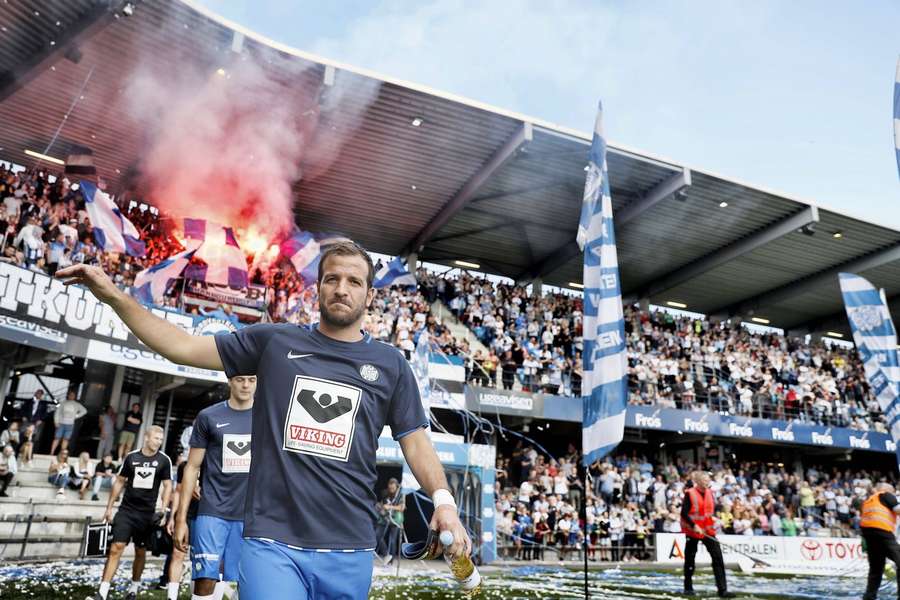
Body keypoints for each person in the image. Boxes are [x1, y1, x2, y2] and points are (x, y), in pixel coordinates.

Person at [59, 241, 471, 600]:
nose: (341, 288)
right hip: (271, 543)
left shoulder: (390, 365)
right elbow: (181, 346)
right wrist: (115, 297)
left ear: (369, 295)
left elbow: (415, 441)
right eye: (331, 279)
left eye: (354, 281)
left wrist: (445, 504)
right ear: (318, 287)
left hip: (350, 548)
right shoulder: (275, 342)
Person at [173, 375, 256, 600]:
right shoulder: (209, 416)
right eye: (240, 379)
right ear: (230, 381)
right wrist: (180, 520)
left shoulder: (267, 416)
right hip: (212, 511)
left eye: (252, 379)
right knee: (205, 580)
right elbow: (191, 468)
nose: (246, 385)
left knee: (249, 584)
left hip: (251, 515)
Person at [85, 426, 173, 600]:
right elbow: (119, 481)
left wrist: (163, 509)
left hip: (147, 514)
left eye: (161, 439)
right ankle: (102, 593)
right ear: (146, 438)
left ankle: (134, 588)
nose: (158, 442)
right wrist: (109, 507)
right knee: (116, 548)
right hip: (126, 511)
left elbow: (168, 485)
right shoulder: (132, 457)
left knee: (140, 552)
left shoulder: (164, 460)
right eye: (156, 438)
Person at [680, 471, 734, 598]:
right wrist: (694, 525)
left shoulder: (710, 493)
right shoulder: (690, 493)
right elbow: (684, 513)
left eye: (708, 480)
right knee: (690, 559)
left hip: (708, 530)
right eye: (704, 480)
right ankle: (688, 587)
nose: (707, 482)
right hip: (692, 531)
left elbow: (708, 512)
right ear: (698, 481)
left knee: (718, 558)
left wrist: (716, 520)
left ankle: (722, 590)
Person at [166, 451, 201, 600]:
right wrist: (172, 517)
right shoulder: (184, 466)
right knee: (178, 553)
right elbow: (178, 492)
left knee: (200, 557)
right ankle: (172, 596)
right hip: (185, 513)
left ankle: (197, 595)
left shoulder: (214, 463)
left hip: (207, 515)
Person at [860, 482, 900, 600]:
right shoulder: (885, 495)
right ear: (886, 489)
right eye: (892, 490)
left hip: (869, 536)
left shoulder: (868, 501)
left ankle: (869, 596)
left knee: (876, 569)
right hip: (882, 532)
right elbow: (898, 510)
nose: (894, 493)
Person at [375, 477, 405, 564]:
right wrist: (379, 506)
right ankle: (386, 554)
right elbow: (382, 503)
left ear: (396, 486)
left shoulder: (400, 494)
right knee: (377, 535)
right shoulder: (385, 493)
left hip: (395, 519)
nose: (391, 488)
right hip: (385, 518)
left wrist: (390, 507)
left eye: (393, 486)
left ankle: (391, 560)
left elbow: (402, 508)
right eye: (390, 486)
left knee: (392, 540)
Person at [50, 389, 88, 456]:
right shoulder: (63, 403)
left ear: (75, 396)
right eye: (70, 395)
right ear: (68, 396)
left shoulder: (77, 404)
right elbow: (57, 413)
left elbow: (84, 411)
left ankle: (61, 454)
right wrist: (56, 421)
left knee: (66, 439)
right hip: (61, 423)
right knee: (57, 438)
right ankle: (51, 452)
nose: (71, 396)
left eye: (73, 395)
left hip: (70, 424)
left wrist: (76, 416)